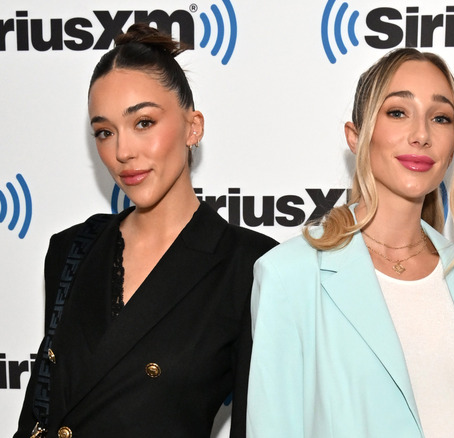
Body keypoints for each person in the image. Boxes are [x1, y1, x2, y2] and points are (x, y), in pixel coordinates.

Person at [14, 23, 276, 438]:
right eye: (105, 132)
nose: (122, 152)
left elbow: (259, 424)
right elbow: (42, 410)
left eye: (144, 123)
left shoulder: (251, 265)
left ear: (194, 127)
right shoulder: (70, 250)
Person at [246, 48, 454, 437]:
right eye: (397, 112)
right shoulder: (290, 277)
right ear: (356, 137)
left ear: (453, 146)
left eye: (440, 118)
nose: (421, 134)